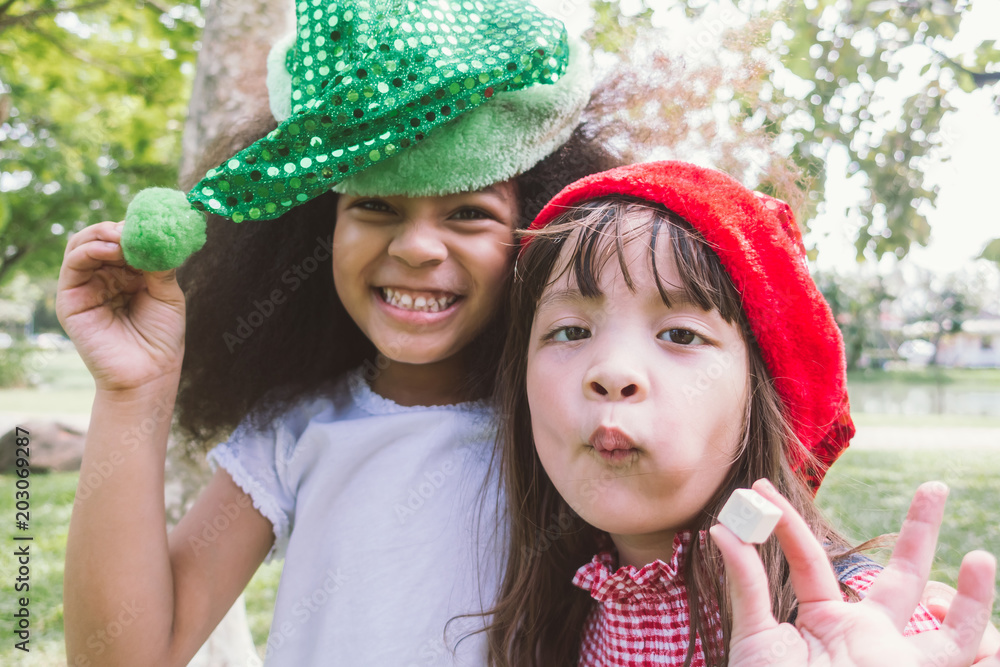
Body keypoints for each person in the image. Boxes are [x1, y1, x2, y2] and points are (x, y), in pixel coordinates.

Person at [56, 1, 619, 665]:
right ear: (316, 231)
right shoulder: (291, 430)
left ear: (536, 234)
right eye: (375, 205)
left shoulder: (582, 424)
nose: (415, 247)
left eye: (469, 212)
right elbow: (125, 656)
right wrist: (132, 391)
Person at [484, 161, 1000, 666]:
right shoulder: (539, 613)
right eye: (571, 331)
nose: (613, 371)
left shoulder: (863, 631)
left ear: (762, 393)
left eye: (681, 335)